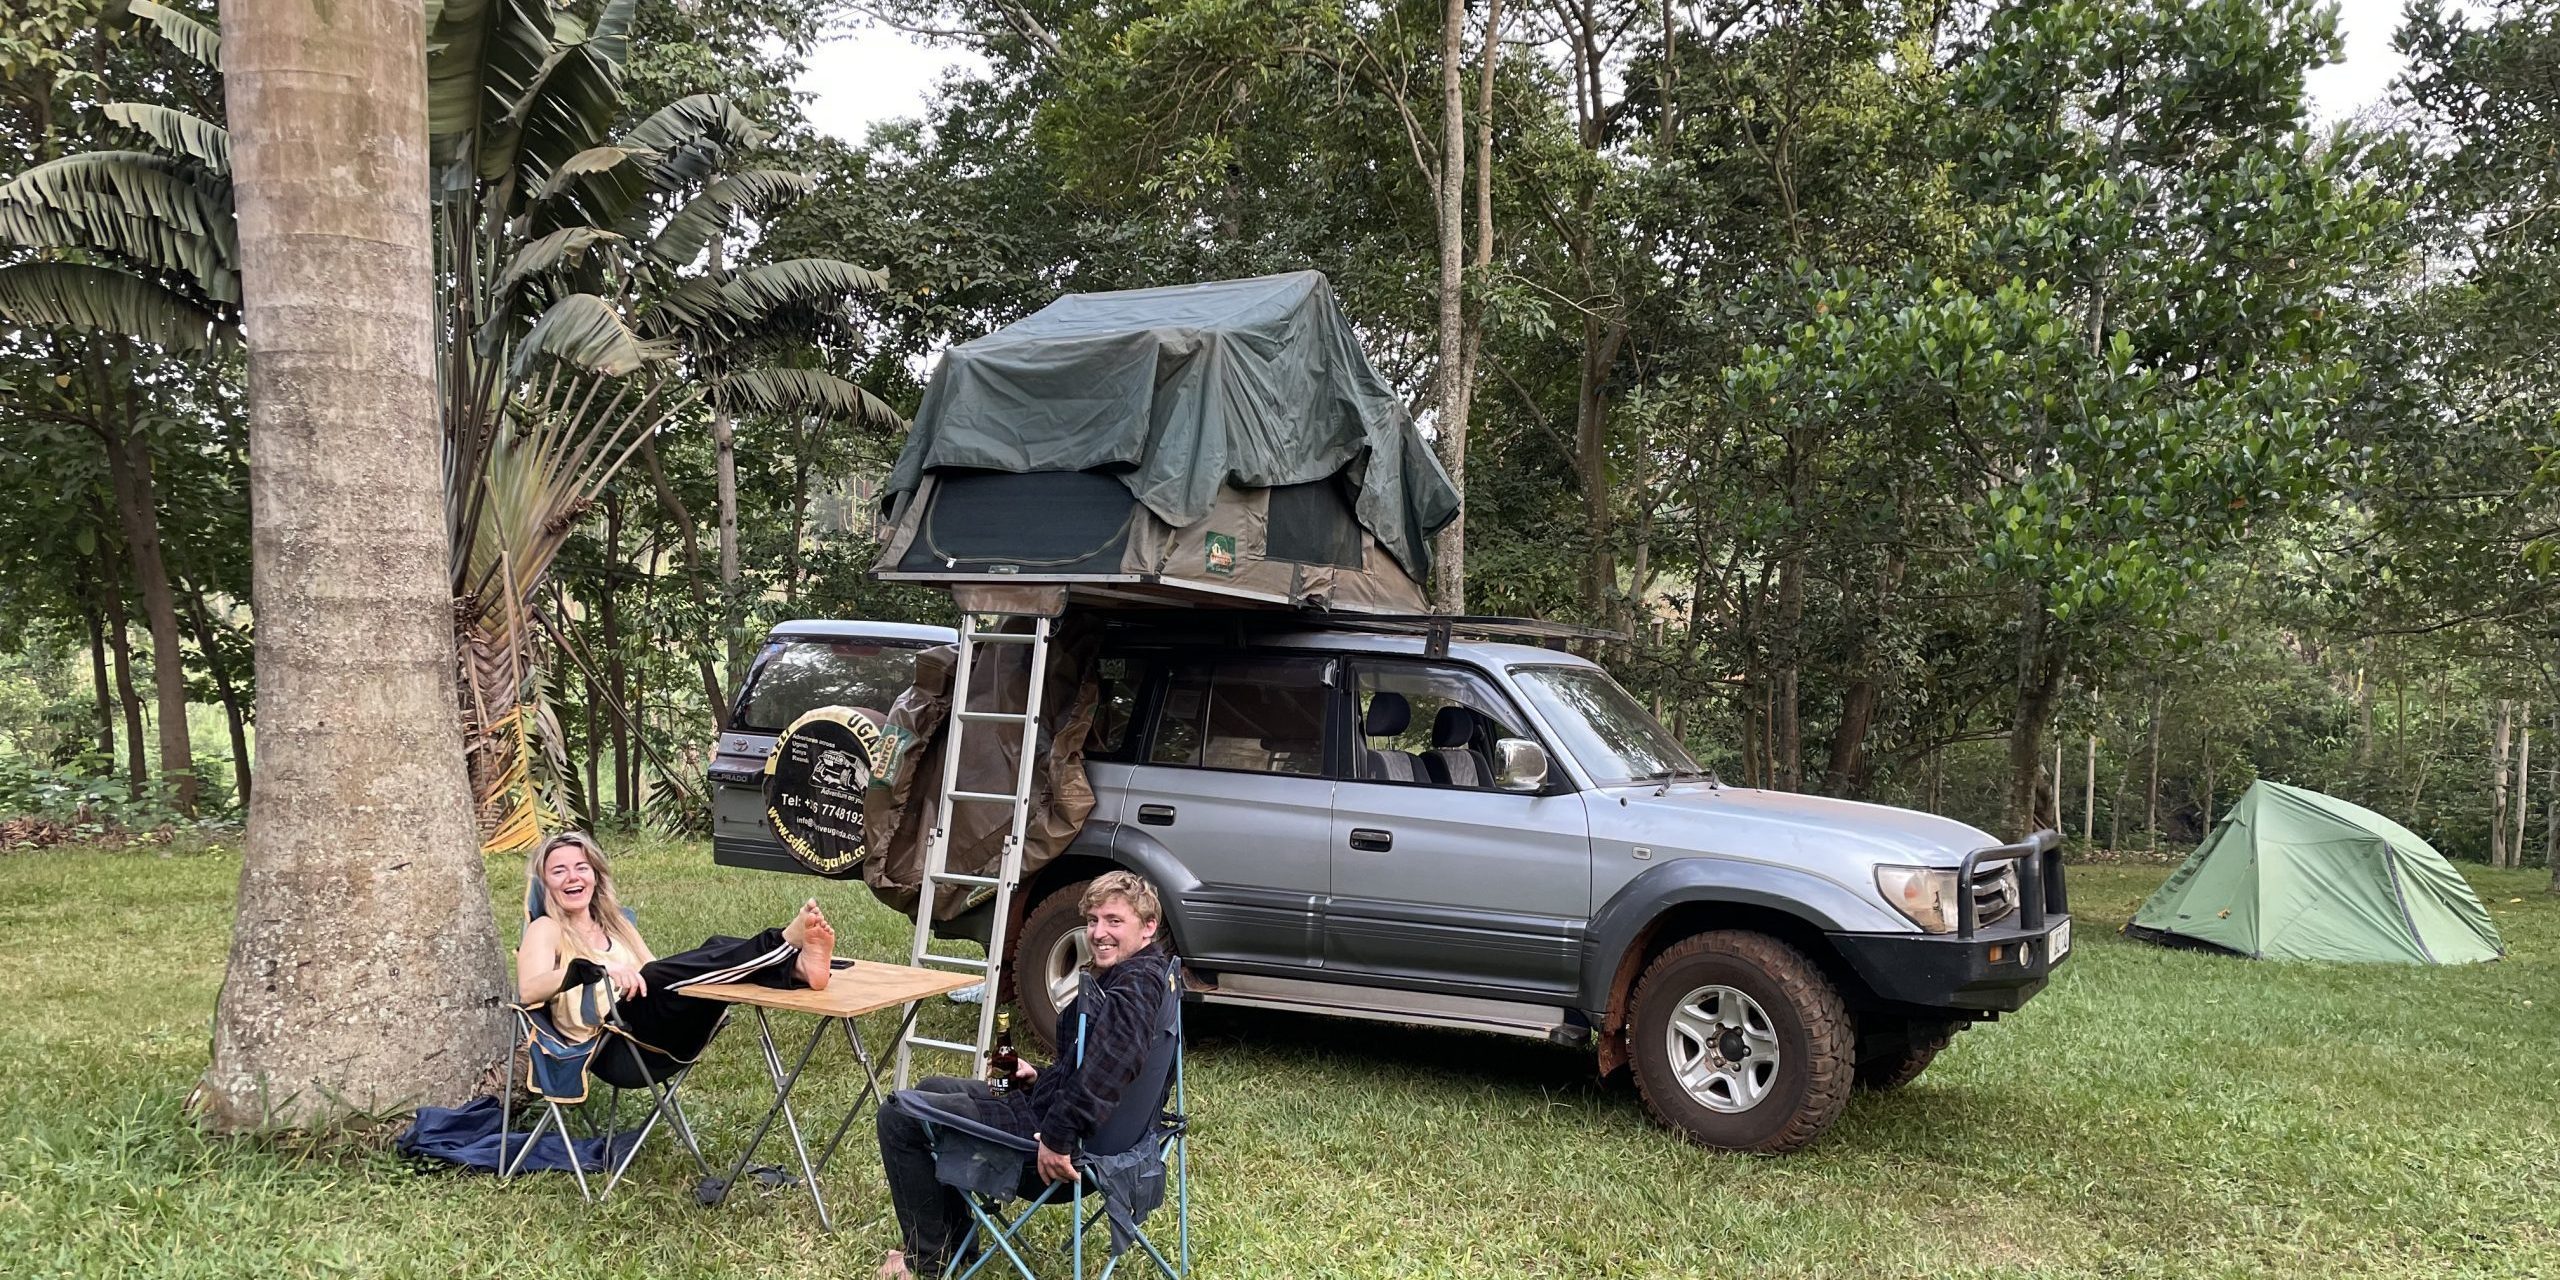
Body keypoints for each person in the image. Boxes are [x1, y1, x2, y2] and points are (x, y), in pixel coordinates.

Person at [875, 871, 1176, 1279]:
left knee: (900, 1117)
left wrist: (1057, 1137)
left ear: (1148, 927)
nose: (1099, 932)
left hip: (1058, 1152)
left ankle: (925, 1263)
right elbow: (1100, 1065)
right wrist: (1042, 1079)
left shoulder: (1135, 988)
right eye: (1092, 921)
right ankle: (957, 1245)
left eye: (1114, 921)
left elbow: (1112, 1067)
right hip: (1096, 1134)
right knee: (932, 1089)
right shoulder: (1156, 975)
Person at [515, 830, 838, 1063]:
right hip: (613, 1041)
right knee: (659, 973)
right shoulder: (547, 928)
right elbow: (529, 990)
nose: (573, 877)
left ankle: (796, 968)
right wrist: (596, 971)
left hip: (657, 1028)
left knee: (713, 948)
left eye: (581, 867)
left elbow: (663, 977)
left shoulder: (617, 923)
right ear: (546, 884)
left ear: (596, 876)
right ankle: (782, 945)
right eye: (559, 871)